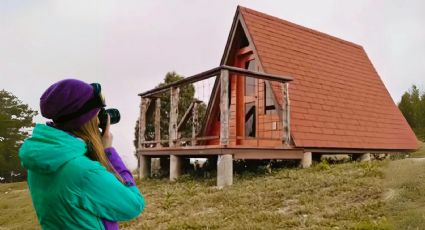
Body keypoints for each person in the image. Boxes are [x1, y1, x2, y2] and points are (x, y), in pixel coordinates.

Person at [19, 79, 145, 229]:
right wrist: (109, 153)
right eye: (98, 115)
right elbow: (133, 206)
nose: (100, 121)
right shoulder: (84, 171)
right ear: (87, 120)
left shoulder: (41, 160)